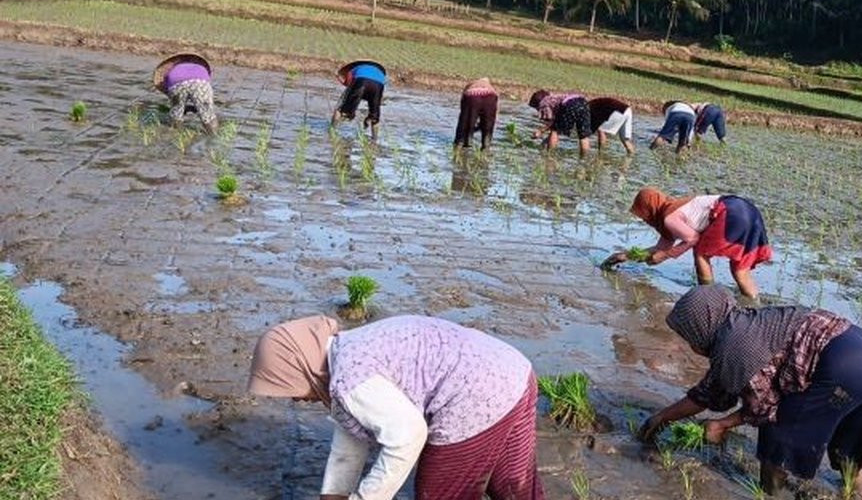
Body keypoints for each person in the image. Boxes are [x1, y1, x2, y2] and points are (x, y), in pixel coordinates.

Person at [247, 315, 543, 500]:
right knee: (512, 486)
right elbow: (349, 445)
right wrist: (333, 495)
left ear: (298, 367)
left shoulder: (350, 379)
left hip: (475, 395)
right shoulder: (346, 353)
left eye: (288, 386)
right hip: (513, 371)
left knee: (439, 492)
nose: (296, 399)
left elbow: (409, 436)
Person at [639, 286, 862, 500]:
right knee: (850, 444)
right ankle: (861, 494)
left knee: (775, 434)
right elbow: (706, 393)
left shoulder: (733, 349)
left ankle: (769, 493)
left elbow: (765, 409)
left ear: (701, 327)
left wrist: (722, 425)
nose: (690, 344)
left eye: (688, 336)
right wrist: (663, 417)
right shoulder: (743, 325)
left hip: (842, 368)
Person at [604, 187, 772, 298]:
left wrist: (665, 256)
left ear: (650, 209)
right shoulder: (672, 212)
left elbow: (692, 239)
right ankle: (754, 305)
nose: (645, 220)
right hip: (748, 210)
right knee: (740, 268)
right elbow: (660, 248)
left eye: (643, 215)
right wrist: (626, 256)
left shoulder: (669, 218)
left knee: (700, 252)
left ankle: (707, 297)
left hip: (729, 211)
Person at [152, 52, 218, 132]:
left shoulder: (172, 70)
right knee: (208, 115)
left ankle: (177, 133)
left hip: (176, 84)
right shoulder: (199, 67)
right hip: (200, 83)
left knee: (176, 114)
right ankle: (214, 135)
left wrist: (181, 107)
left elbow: (168, 90)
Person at [332, 60, 386, 142]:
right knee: (374, 117)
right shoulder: (381, 74)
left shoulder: (355, 69)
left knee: (341, 109)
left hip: (361, 82)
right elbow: (381, 94)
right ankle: (374, 139)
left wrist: (350, 110)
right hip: (378, 86)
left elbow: (349, 85)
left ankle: (332, 130)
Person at [528, 89, 591, 154]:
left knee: (555, 131)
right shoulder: (554, 98)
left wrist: (540, 131)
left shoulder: (544, 103)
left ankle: (550, 154)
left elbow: (552, 124)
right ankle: (584, 158)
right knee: (583, 135)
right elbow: (556, 121)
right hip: (584, 103)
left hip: (570, 104)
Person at [454, 77, 499, 150]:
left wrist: (465, 120)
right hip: (490, 97)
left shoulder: (471, 85)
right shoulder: (492, 88)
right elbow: (496, 110)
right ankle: (486, 145)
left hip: (472, 96)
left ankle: (464, 142)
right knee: (488, 126)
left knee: (464, 124)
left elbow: (462, 105)